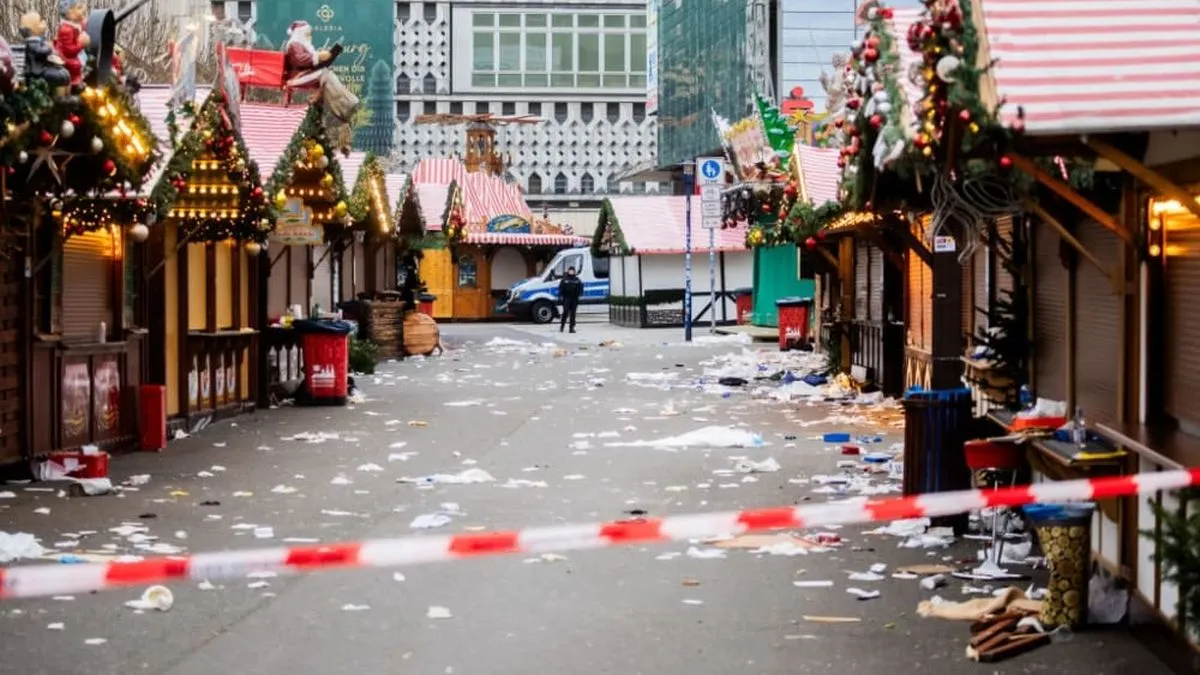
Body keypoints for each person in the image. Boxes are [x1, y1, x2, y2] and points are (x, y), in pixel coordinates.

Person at [558, 266, 583, 333]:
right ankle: (562, 326)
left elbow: (581, 288)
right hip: (566, 298)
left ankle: (571, 328)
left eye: (572, 270)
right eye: (570, 270)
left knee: (573, 314)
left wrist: (580, 294)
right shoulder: (564, 279)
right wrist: (560, 296)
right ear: (568, 271)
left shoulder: (577, 280)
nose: (571, 272)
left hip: (574, 299)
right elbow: (560, 288)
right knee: (565, 312)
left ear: (574, 271)